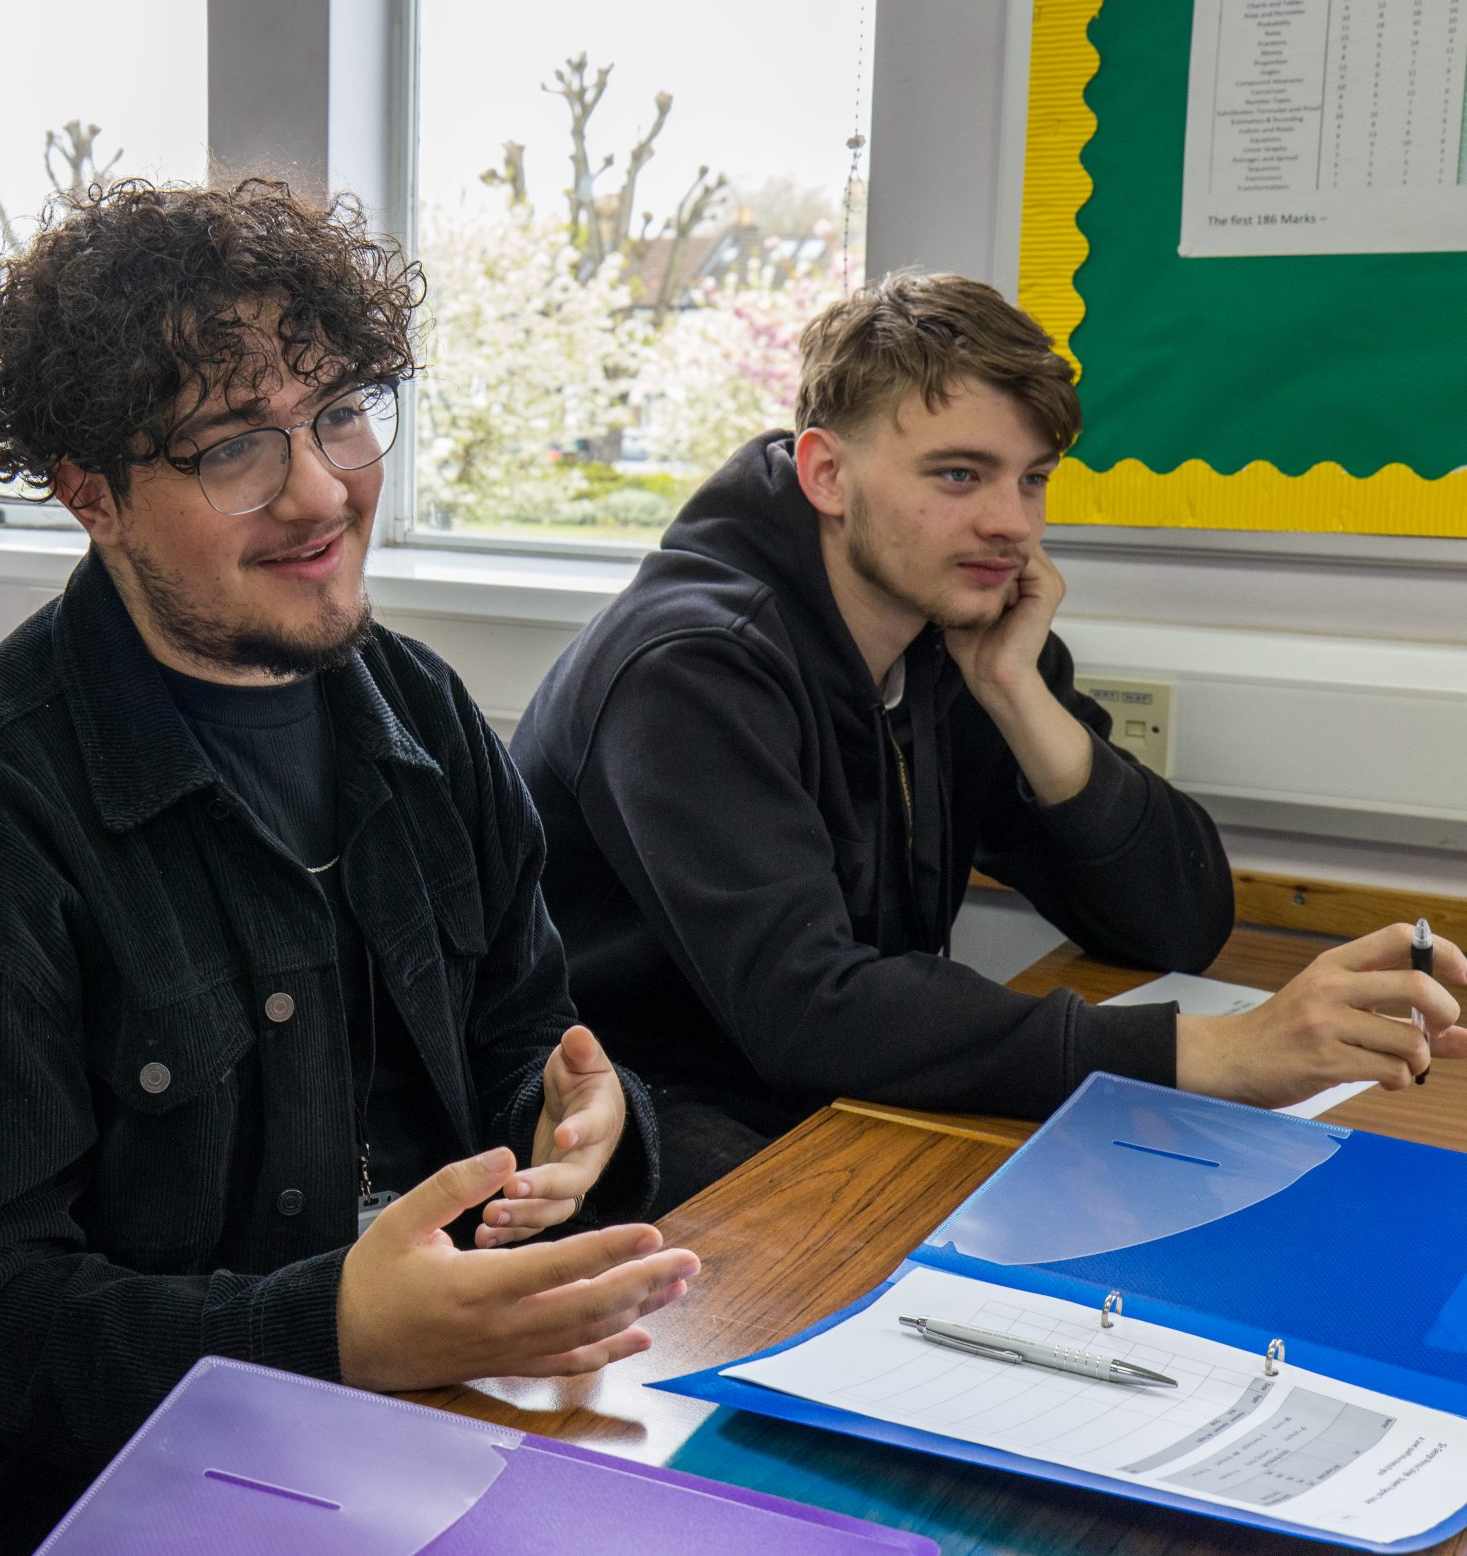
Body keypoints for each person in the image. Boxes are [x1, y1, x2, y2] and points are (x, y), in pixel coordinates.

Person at [0, 179, 699, 1554]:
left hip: (442, 1435)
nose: (322, 489)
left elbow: (520, 1034)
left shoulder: (426, 713)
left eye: (339, 410)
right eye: (236, 446)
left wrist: (581, 1127)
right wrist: (330, 1329)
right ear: (89, 490)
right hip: (128, 1508)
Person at [511, 272, 1467, 1197]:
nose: (1011, 524)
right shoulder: (690, 665)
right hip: (631, 1125)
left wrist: (1017, 692)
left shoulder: (956, 628)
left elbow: (1175, 923)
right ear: (827, 474)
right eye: (960, 475)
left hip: (830, 1096)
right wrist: (1218, 1051)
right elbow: (808, 1009)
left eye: (1033, 479)